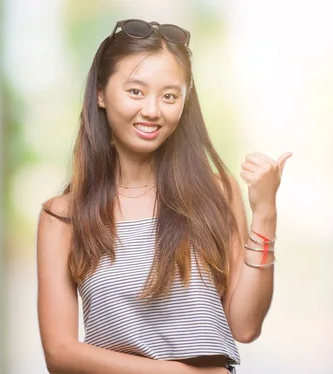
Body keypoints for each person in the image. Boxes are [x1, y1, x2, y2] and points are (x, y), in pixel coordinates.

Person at [36, 19, 292, 374]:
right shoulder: (63, 215)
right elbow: (60, 354)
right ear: (100, 93)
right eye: (136, 92)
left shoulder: (216, 193)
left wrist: (265, 213)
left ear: (185, 102)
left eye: (169, 96)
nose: (153, 110)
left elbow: (245, 326)